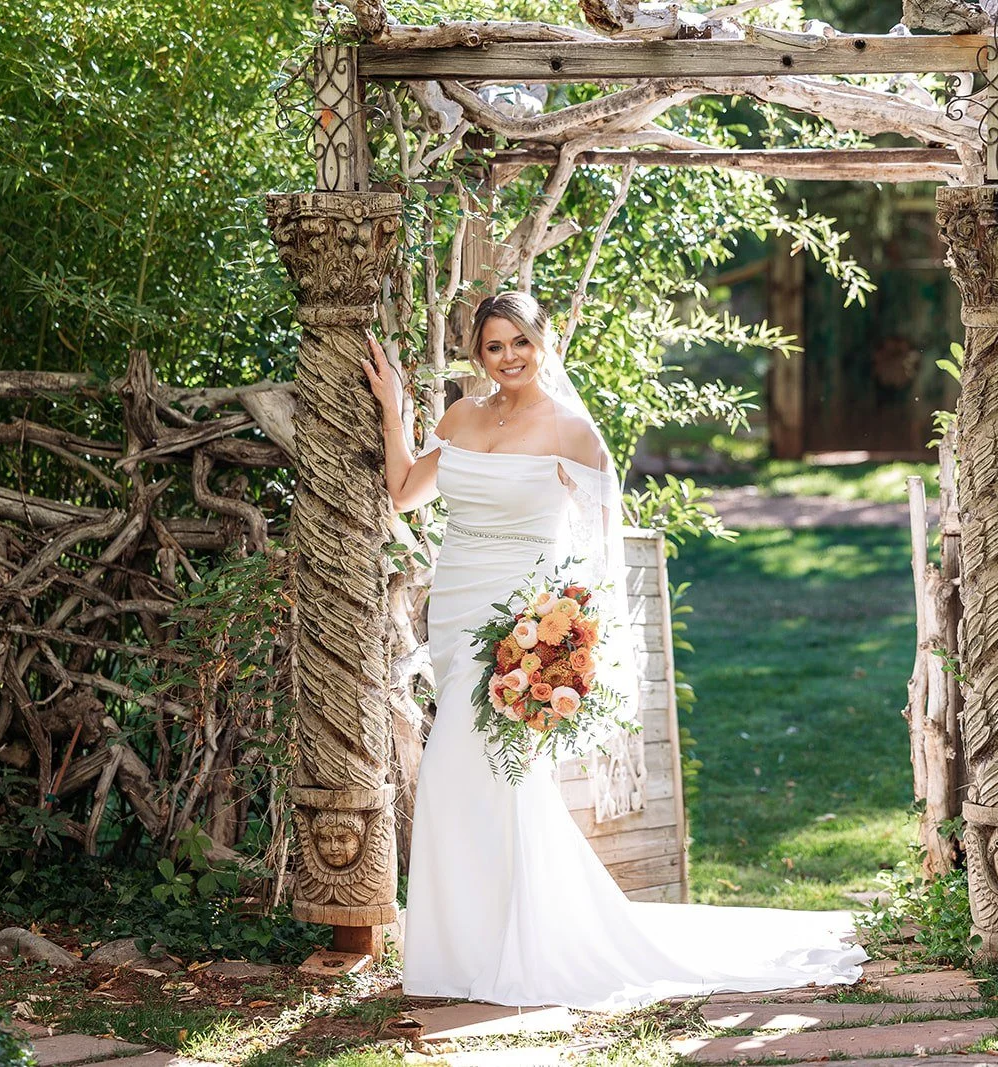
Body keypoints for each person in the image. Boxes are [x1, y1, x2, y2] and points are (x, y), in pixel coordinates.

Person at [362, 291, 868, 1011]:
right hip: (457, 610)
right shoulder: (462, 416)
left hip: (517, 625)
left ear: (545, 341)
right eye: (493, 346)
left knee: (483, 775)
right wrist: (396, 415)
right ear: (478, 352)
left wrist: (567, 634)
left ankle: (517, 948)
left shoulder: (571, 432)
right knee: (470, 776)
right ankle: (465, 953)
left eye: (519, 343)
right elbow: (408, 492)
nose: (507, 358)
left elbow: (600, 550)